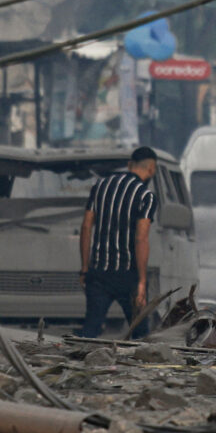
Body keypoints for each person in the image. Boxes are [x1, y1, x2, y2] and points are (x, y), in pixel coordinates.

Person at [77, 145, 160, 339]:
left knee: (90, 330)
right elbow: (141, 238)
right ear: (151, 169)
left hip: (98, 273)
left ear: (130, 165)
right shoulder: (145, 196)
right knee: (139, 333)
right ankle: (142, 369)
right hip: (128, 276)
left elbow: (86, 227)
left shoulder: (101, 187)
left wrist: (85, 267)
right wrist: (141, 282)